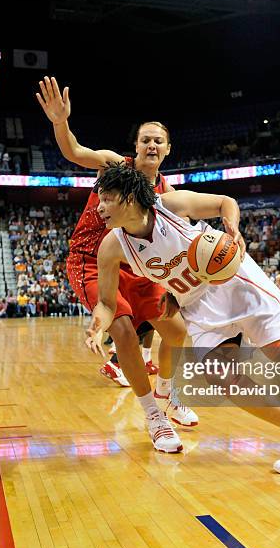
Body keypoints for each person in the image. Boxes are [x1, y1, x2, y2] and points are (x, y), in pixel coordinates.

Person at [86, 163, 280, 474]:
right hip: (196, 307)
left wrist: (231, 229)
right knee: (222, 377)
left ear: (128, 198)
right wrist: (99, 326)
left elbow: (225, 203)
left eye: (107, 198)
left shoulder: (168, 206)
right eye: (99, 199)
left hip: (233, 281)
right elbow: (107, 303)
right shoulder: (111, 246)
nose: (99, 208)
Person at [36, 75, 196, 454]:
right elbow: (74, 150)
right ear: (136, 146)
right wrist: (60, 121)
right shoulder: (113, 166)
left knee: (176, 334)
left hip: (137, 265)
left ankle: (167, 395)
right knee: (123, 331)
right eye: (145, 139)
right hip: (92, 260)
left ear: (168, 149)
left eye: (159, 140)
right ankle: (153, 418)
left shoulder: (166, 193)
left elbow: (182, 235)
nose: (152, 144)